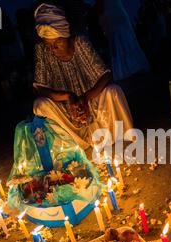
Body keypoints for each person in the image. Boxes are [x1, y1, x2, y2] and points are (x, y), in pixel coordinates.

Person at [32, 2, 133, 149]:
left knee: (113, 91)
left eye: (58, 42)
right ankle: (67, 147)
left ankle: (120, 137)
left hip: (95, 109)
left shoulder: (80, 42)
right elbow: (40, 88)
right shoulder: (41, 50)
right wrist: (68, 96)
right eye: (49, 44)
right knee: (40, 105)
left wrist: (85, 98)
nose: (53, 48)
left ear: (66, 35)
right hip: (68, 120)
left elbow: (106, 75)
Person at [96, 0, 149, 81]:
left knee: (119, 43)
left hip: (113, 18)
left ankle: (126, 70)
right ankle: (133, 67)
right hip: (118, 15)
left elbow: (100, 7)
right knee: (125, 41)